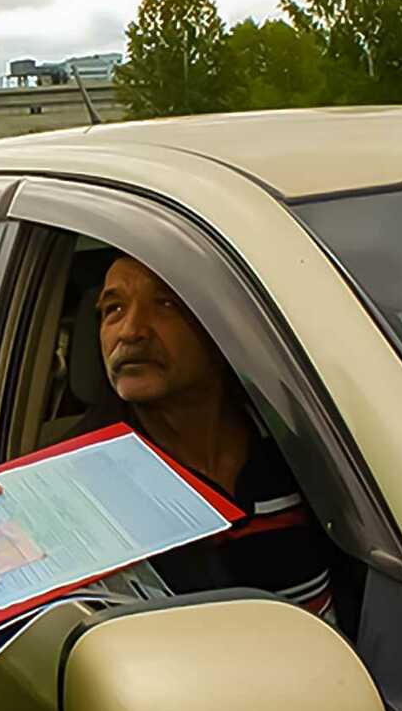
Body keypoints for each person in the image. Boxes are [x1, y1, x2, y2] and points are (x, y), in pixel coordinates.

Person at [69, 254, 337, 615]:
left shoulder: (306, 442)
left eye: (166, 304)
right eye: (113, 309)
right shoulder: (74, 483)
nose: (130, 331)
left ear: (220, 327)